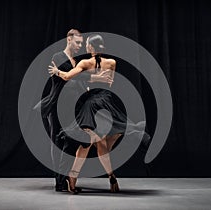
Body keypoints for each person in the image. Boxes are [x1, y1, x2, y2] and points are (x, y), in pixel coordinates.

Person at [49, 34, 150, 194]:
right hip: (107, 102)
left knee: (87, 143)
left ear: (90, 47)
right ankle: (110, 176)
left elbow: (68, 76)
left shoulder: (84, 63)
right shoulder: (112, 63)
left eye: (86, 45)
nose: (84, 47)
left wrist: (57, 71)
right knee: (101, 144)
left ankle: (72, 180)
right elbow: (109, 83)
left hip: (92, 104)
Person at [34, 29, 112, 192]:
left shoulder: (75, 60)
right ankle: (60, 182)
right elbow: (70, 77)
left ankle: (65, 179)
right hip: (57, 106)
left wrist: (89, 88)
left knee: (70, 142)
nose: (80, 46)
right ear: (69, 40)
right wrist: (96, 77)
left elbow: (75, 78)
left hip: (73, 107)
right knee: (58, 142)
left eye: (82, 44)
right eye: (77, 43)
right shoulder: (58, 57)